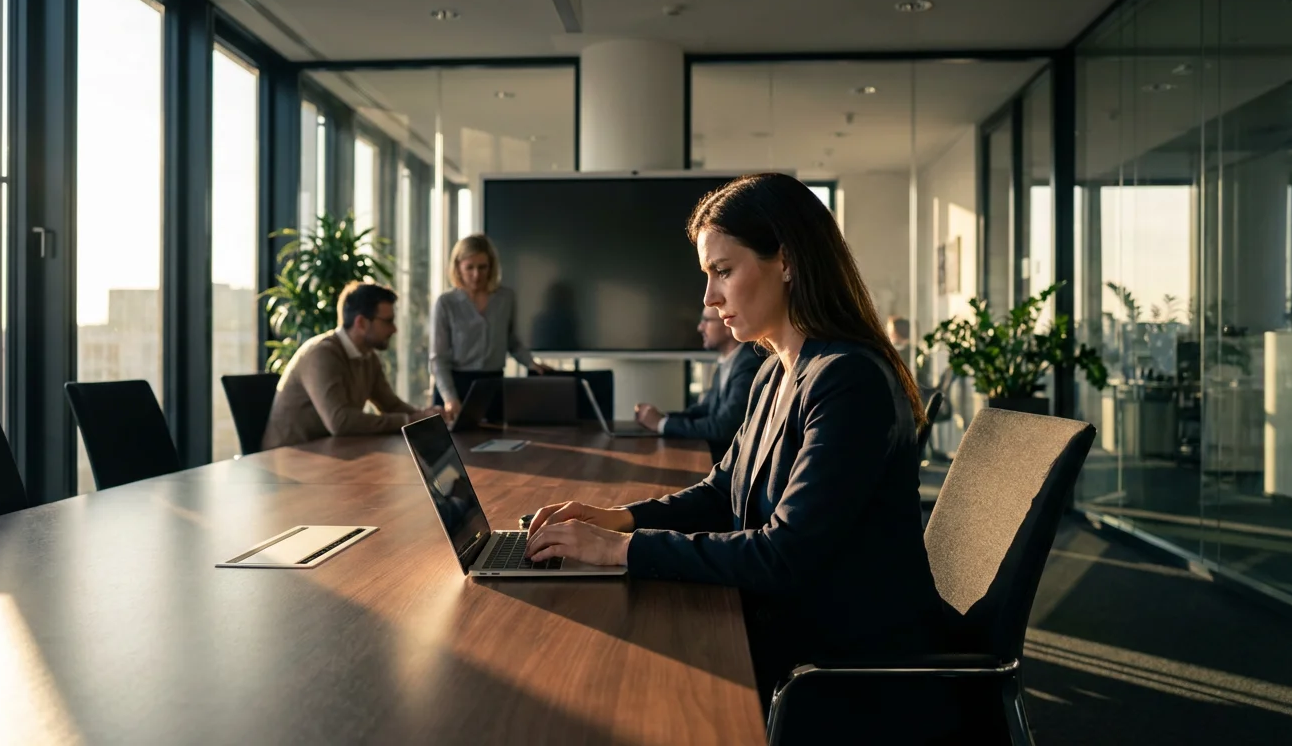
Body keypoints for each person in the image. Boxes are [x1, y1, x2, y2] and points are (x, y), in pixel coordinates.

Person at [524, 173, 945, 727]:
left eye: (723, 271)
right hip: (785, 627)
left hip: (835, 665)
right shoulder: (775, 370)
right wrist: (618, 520)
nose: (708, 297)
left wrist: (617, 550)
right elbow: (724, 489)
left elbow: (784, 555)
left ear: (787, 260)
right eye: (707, 275)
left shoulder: (848, 381)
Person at [261, 282, 441, 450]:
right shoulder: (321, 354)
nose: (394, 329)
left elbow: (391, 405)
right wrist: (408, 419)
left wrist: (427, 418)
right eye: (388, 321)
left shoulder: (367, 356)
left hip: (329, 453)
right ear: (361, 323)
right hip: (288, 462)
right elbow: (340, 422)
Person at [429, 234, 551, 420]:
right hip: (456, 385)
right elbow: (438, 358)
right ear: (458, 267)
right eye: (469, 268)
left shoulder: (505, 298)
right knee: (457, 445)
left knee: (495, 443)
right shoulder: (446, 303)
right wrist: (450, 397)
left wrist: (530, 363)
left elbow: (511, 340)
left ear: (491, 267)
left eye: (482, 267)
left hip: (492, 385)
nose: (476, 275)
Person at [632, 307, 763, 462]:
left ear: (729, 325)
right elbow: (707, 410)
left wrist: (662, 424)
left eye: (707, 320)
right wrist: (663, 417)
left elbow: (725, 427)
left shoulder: (749, 365)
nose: (700, 327)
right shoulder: (728, 362)